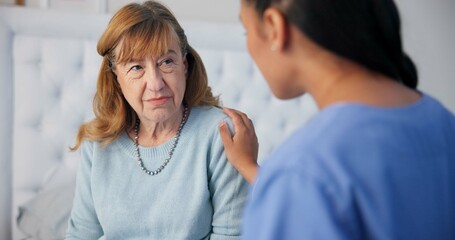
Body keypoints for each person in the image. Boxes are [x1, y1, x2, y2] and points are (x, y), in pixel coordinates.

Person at [219, 0, 455, 239]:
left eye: (247, 31)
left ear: (273, 27)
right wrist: (251, 168)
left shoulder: (303, 172)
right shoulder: (441, 120)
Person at [65, 1, 249, 239]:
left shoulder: (221, 134)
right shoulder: (97, 144)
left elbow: (232, 235)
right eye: (136, 67)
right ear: (116, 77)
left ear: (184, 65)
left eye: (166, 62)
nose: (156, 84)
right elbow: (81, 235)